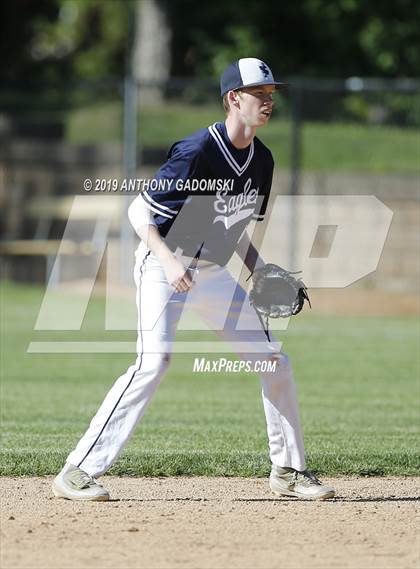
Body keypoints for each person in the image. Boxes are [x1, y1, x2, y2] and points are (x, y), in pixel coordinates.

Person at [52, 58, 335, 501]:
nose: (267, 101)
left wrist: (259, 268)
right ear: (232, 99)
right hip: (164, 265)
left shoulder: (262, 160)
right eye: (258, 93)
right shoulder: (198, 150)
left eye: (271, 94)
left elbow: (234, 227)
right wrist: (166, 259)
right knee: (154, 363)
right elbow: (138, 211)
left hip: (212, 273)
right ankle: (78, 470)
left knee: (273, 362)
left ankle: (288, 470)